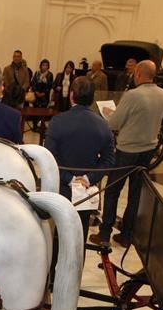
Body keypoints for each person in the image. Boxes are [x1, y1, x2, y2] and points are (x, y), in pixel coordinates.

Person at [94, 59, 163, 247]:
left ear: (139, 75)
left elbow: (114, 124)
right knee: (135, 194)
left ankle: (104, 234)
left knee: (112, 191)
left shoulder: (133, 95)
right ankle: (127, 235)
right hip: (148, 150)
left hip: (127, 150)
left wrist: (111, 112)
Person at [44, 76, 115, 248]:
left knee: (56, 239)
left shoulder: (58, 121)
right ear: (93, 97)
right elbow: (108, 160)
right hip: (86, 190)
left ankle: (53, 272)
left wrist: (69, 178)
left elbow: (49, 157)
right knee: (79, 238)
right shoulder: (103, 125)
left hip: (61, 187)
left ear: (71, 95)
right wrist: (88, 178)